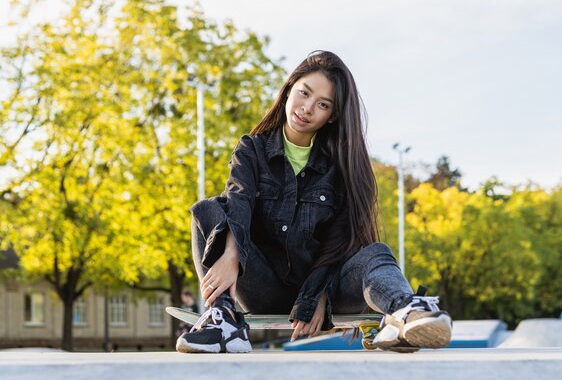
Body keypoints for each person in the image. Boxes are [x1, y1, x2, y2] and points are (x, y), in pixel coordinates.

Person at [176, 50, 452, 353]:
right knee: (209, 209)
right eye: (303, 93)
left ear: (331, 115)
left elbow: (342, 242)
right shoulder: (252, 149)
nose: (306, 108)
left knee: (376, 251)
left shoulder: (341, 166)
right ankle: (224, 320)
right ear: (289, 89)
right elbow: (237, 202)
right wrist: (231, 255)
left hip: (329, 290)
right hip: (263, 286)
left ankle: (406, 312)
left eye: (322, 104)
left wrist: (317, 293)